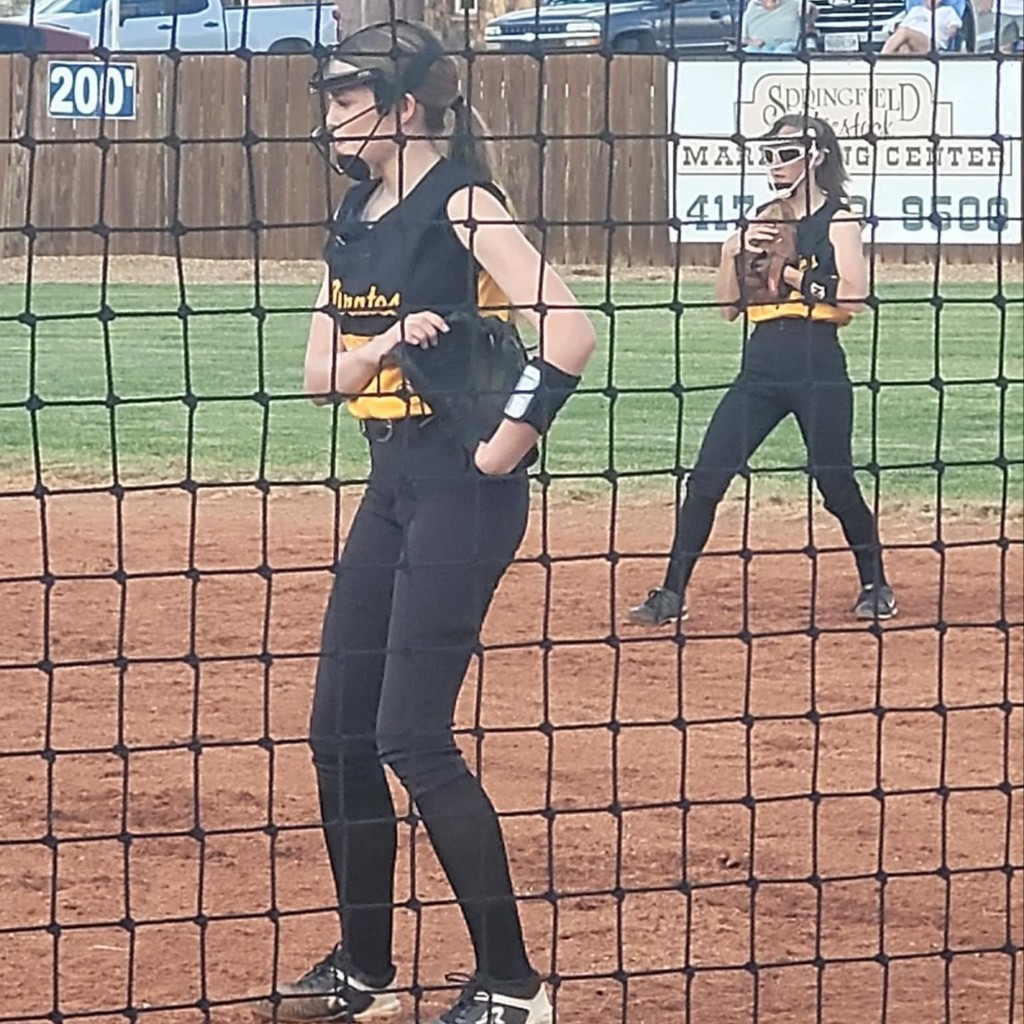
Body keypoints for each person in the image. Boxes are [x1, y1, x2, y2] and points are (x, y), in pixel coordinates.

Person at [252, 19, 596, 1024]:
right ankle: (365, 972)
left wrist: (501, 448)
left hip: (461, 487)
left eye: (344, 96)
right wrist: (382, 348)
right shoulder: (358, 213)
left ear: (403, 106)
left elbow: (569, 328)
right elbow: (319, 376)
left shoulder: (463, 201)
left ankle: (513, 986)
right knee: (339, 733)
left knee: (410, 732)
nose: (329, 116)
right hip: (390, 480)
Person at [628, 115, 897, 628]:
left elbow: (856, 297)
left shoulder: (837, 219)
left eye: (786, 153)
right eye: (770, 154)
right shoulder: (762, 220)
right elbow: (728, 309)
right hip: (760, 365)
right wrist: (731, 252)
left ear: (815, 157)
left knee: (834, 479)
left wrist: (790, 272)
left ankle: (875, 582)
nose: (776, 164)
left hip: (816, 360)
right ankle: (671, 592)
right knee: (707, 476)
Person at [880, 0, 962, 53]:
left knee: (905, 31)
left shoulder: (948, 11)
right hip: (912, 40)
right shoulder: (916, 10)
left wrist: (949, 32)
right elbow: (900, 28)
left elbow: (954, 27)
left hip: (931, 43)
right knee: (904, 48)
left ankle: (881, 58)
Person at [740, 0, 806, 53]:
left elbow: (810, 10)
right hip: (758, 48)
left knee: (782, 52)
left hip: (786, 45)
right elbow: (744, 39)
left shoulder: (794, 3)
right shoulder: (751, 9)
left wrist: (808, 9)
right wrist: (753, 42)